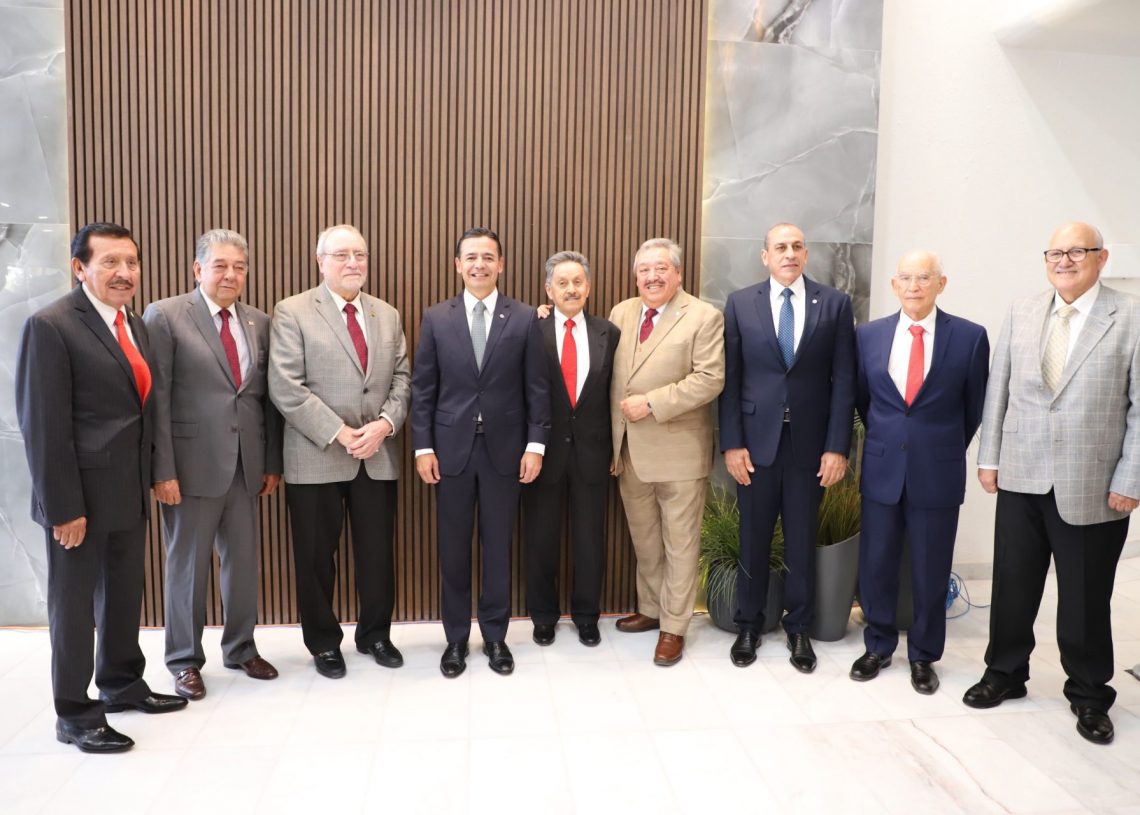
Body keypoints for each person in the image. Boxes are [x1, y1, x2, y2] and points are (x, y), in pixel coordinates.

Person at [15, 222, 187, 753]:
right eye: (110, 262)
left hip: (126, 491)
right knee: (73, 609)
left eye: (131, 262)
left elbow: (141, 408)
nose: (124, 273)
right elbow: (43, 427)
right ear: (80, 268)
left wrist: (154, 473)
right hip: (78, 501)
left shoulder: (133, 323)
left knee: (123, 595)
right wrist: (63, 508)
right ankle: (74, 713)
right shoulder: (52, 326)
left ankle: (121, 683)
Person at [966, 221, 1140, 745]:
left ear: (1101, 258)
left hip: (1094, 483)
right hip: (1021, 473)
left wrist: (1131, 477)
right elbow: (998, 389)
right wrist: (989, 458)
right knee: (1012, 584)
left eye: (1077, 252)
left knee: (1086, 596)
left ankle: (1089, 694)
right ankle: (1004, 673)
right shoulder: (1021, 311)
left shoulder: (1130, 315)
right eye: (1055, 253)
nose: (1064, 261)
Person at [144, 229, 284, 700]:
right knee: (187, 567)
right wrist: (162, 469)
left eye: (239, 267)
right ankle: (184, 659)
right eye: (220, 265)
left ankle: (241, 647)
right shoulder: (166, 315)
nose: (230, 275)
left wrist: (270, 461)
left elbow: (264, 399)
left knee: (242, 563)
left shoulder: (259, 321)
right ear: (197, 269)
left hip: (246, 465)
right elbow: (157, 399)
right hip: (188, 467)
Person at [268, 224, 411, 679]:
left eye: (360, 254)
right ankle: (324, 643)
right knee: (314, 559)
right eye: (342, 255)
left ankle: (375, 635)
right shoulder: (292, 311)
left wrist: (384, 425)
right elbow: (286, 386)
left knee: (377, 555)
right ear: (320, 261)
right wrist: (341, 433)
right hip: (316, 454)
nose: (353, 263)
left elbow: (403, 378)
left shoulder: (387, 314)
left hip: (377, 454)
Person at [411, 227, 551, 677]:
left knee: (497, 549)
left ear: (501, 264)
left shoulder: (524, 317)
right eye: (471, 257)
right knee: (452, 550)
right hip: (449, 452)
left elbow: (537, 388)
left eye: (488, 257)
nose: (479, 264)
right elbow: (423, 389)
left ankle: (494, 636)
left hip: (505, 453)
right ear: (458, 264)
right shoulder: (436, 317)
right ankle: (455, 639)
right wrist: (422, 447)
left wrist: (535, 445)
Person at [718, 223, 855, 673]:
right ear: (765, 256)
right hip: (755, 447)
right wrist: (732, 443)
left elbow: (844, 382)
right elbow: (731, 380)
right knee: (753, 539)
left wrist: (837, 447)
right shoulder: (740, 304)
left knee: (801, 540)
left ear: (806, 254)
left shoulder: (834, 304)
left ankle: (798, 628)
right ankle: (749, 625)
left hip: (809, 449)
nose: (789, 253)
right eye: (780, 247)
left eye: (797, 246)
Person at [849, 251, 988, 693]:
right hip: (882, 468)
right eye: (906, 278)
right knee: (877, 563)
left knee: (931, 568)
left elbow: (973, 408)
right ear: (894, 285)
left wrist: (937, 446)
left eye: (924, 278)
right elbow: (863, 400)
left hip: (937, 471)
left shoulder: (969, 337)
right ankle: (877, 645)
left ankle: (924, 655)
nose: (914, 286)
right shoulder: (868, 336)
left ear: (941, 284)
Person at [609, 238, 725, 666]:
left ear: (678, 273)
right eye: (644, 270)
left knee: (680, 544)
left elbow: (710, 379)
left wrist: (653, 403)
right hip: (629, 452)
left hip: (679, 453)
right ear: (635, 276)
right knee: (645, 540)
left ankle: (674, 627)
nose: (652, 277)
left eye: (661, 269)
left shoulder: (703, 316)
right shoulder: (622, 313)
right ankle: (652, 608)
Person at [524, 251, 619, 647]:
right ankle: (543, 616)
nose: (571, 289)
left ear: (589, 287)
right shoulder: (532, 328)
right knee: (541, 538)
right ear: (549, 290)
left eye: (578, 282)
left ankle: (586, 616)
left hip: (594, 452)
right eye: (562, 283)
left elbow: (615, 391)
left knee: (590, 539)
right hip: (543, 452)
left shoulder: (608, 332)